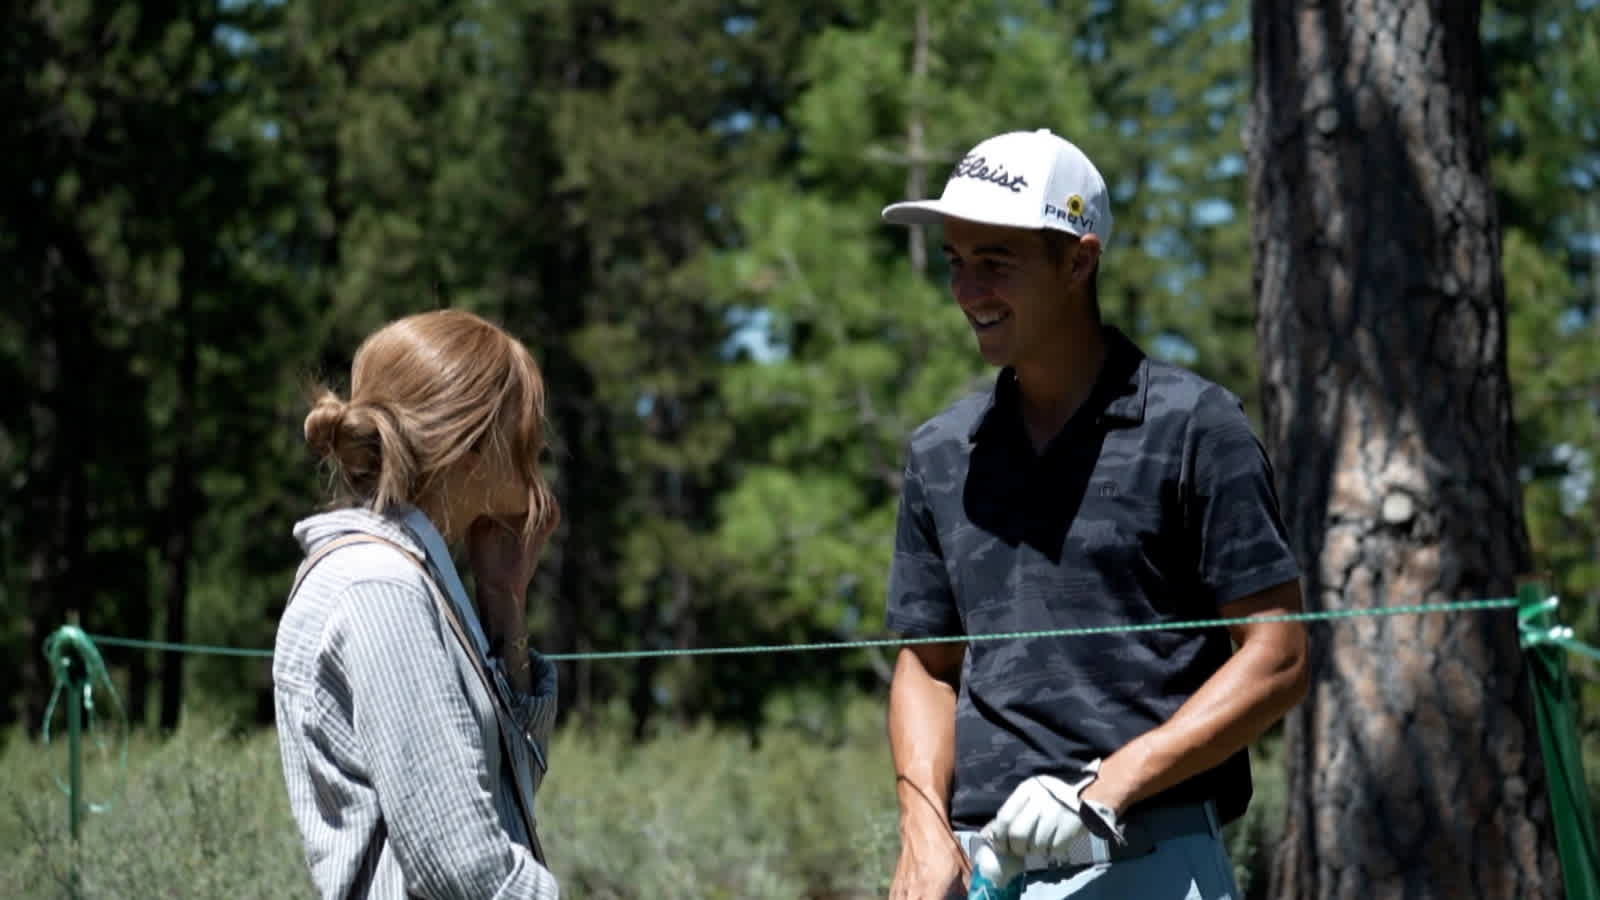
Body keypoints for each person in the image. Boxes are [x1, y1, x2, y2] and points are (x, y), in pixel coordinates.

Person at [879, 128, 1310, 899]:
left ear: (1079, 261)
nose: (968, 291)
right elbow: (927, 665)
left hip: (1154, 860)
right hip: (981, 870)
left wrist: (1106, 788)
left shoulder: (1196, 426)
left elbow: (1277, 655)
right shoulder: (941, 453)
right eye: (955, 262)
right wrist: (923, 827)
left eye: (995, 262)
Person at [272, 309, 563, 900]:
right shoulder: (381, 589)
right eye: (527, 432)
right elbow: (461, 865)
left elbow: (505, 794)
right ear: (473, 443)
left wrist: (503, 601)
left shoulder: (409, 580)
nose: (538, 451)